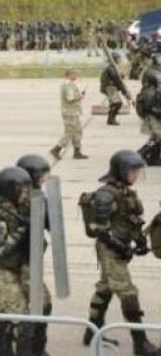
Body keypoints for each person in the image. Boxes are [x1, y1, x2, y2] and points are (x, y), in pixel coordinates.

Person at [80, 150, 158, 355]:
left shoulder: (126, 192)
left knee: (105, 288)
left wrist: (140, 242)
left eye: (137, 171)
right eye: (132, 171)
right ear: (120, 171)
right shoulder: (106, 195)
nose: (136, 175)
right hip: (109, 250)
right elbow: (100, 230)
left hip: (119, 247)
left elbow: (132, 220)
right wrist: (120, 247)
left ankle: (91, 332)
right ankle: (140, 343)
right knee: (127, 292)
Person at [0, 167, 33, 356]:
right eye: (23, 192)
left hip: (13, 267)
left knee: (1, 314)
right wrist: (22, 231)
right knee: (23, 319)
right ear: (12, 192)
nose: (26, 196)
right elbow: (1, 249)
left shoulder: (19, 210)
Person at [15, 154, 54, 356]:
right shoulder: (17, 200)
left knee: (42, 305)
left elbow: (50, 225)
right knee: (40, 305)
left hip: (32, 259)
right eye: (41, 176)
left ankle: (37, 349)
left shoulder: (38, 197)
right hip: (21, 261)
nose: (44, 179)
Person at [50, 68, 89, 160]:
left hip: (73, 112)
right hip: (70, 112)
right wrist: (80, 97)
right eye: (75, 74)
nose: (76, 76)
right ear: (70, 75)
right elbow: (70, 98)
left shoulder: (70, 84)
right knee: (69, 132)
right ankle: (56, 149)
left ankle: (77, 151)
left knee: (78, 131)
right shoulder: (68, 85)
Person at [100, 53, 133, 126]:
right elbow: (118, 81)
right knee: (117, 103)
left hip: (110, 87)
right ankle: (111, 119)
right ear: (115, 59)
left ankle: (110, 119)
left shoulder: (113, 68)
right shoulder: (111, 69)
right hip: (110, 88)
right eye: (118, 58)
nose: (120, 60)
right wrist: (125, 92)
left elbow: (118, 79)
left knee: (113, 104)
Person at [136, 71, 161, 165]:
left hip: (152, 118)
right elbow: (150, 108)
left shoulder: (148, 90)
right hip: (153, 119)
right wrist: (159, 113)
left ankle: (153, 159)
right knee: (158, 138)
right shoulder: (150, 91)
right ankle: (139, 155)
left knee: (156, 139)